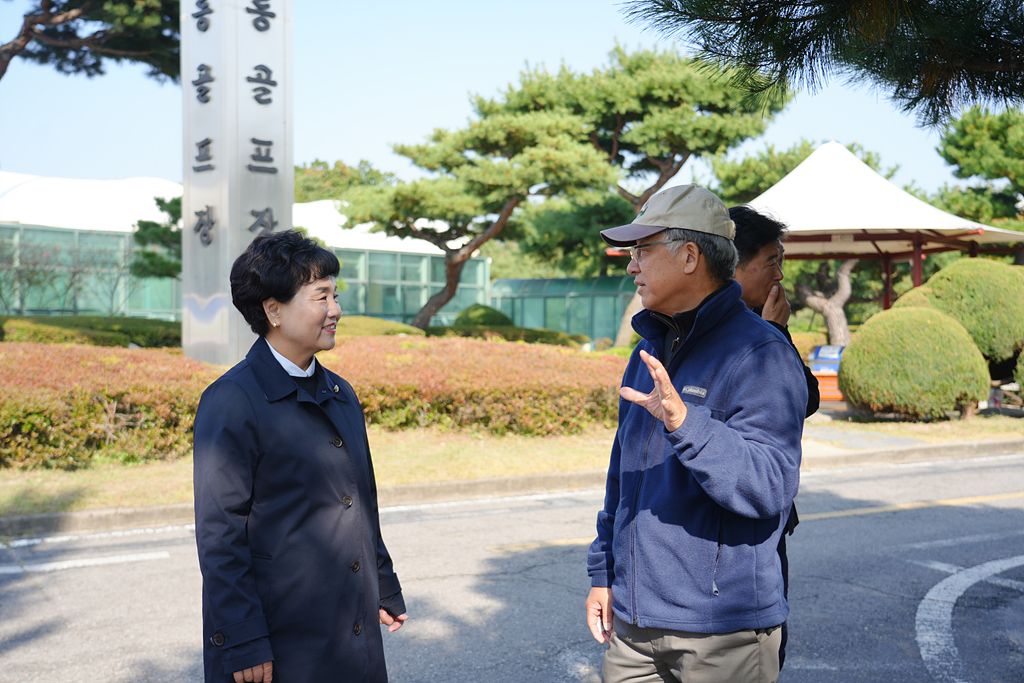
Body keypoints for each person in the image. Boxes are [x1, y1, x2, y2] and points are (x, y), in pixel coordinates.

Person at [585, 185, 807, 683]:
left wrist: (686, 423)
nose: (630, 265)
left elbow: (770, 485)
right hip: (633, 626)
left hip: (721, 633)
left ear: (689, 256)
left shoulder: (762, 353)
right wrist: (603, 574)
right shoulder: (651, 347)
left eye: (642, 249)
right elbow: (622, 479)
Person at [193, 230, 408, 683]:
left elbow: (362, 501)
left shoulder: (341, 393)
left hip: (350, 622)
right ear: (273, 310)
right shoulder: (232, 399)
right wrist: (243, 638)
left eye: (335, 294)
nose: (336, 310)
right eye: (321, 296)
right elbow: (220, 535)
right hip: (280, 635)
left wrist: (383, 583)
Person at [731, 204, 820, 671]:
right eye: (772, 262)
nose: (781, 276)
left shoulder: (766, 328)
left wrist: (778, 333)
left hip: (766, 526)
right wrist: (772, 333)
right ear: (734, 266)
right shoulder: (715, 332)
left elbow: (805, 398)